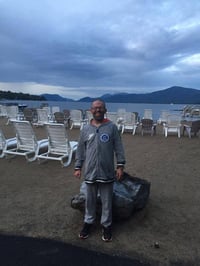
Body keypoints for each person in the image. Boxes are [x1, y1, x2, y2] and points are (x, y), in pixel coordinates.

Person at [74, 99, 126, 242]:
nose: (98, 110)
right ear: (91, 110)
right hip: (90, 171)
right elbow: (80, 149)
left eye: (100, 108)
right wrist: (78, 166)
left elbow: (119, 148)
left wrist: (120, 166)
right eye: (95, 108)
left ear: (105, 110)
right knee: (89, 200)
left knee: (107, 201)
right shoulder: (85, 129)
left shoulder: (112, 127)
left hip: (107, 171)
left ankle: (106, 225)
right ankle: (88, 222)